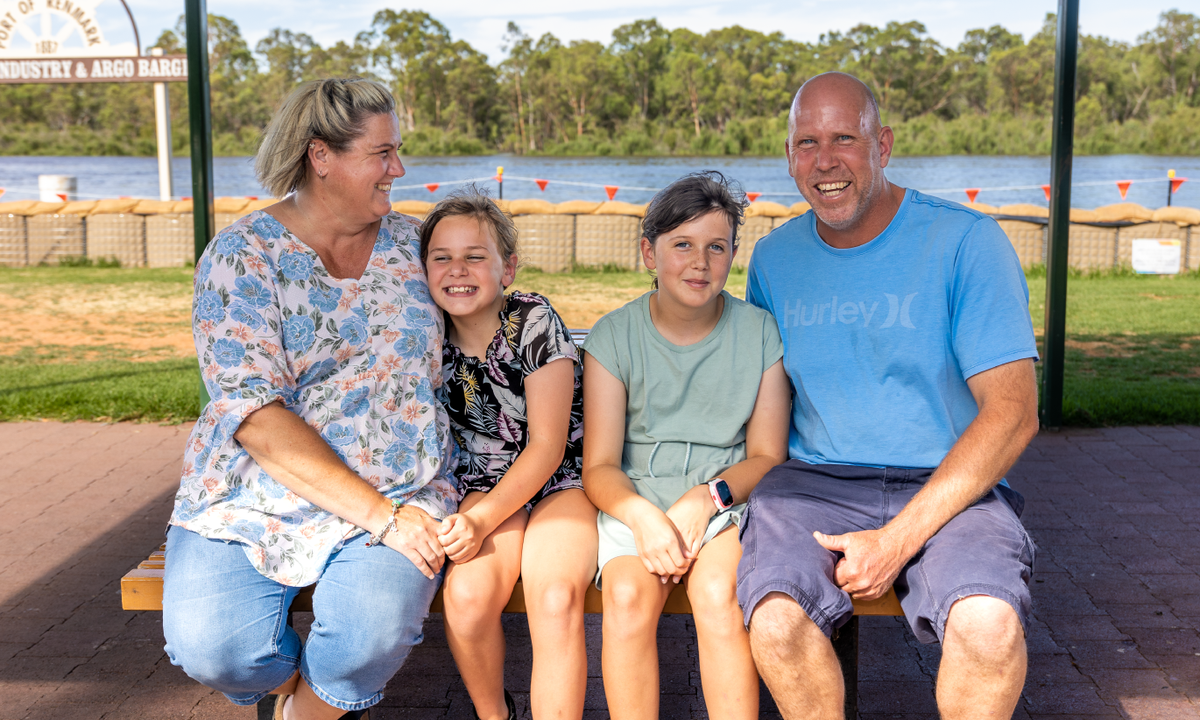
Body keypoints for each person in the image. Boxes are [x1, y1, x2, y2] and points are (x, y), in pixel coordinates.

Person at [738, 71, 1040, 719]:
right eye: (806, 142)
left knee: (988, 627)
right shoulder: (773, 260)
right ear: (789, 156)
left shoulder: (966, 242)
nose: (825, 162)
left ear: (884, 145)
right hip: (812, 485)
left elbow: (1013, 415)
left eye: (845, 138)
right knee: (776, 623)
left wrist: (898, 538)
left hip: (949, 485)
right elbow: (761, 404)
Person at [162, 78, 458, 720]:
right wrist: (381, 517)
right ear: (321, 156)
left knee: (366, 638)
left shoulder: (417, 247)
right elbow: (256, 419)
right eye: (382, 153)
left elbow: (492, 322)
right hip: (255, 489)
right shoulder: (240, 258)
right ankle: (311, 692)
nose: (398, 169)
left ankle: (310, 707)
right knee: (214, 650)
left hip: (402, 479)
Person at [581, 172, 791, 720]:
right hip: (637, 499)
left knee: (720, 593)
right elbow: (600, 466)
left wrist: (708, 497)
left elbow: (768, 456)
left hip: (726, 499)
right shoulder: (613, 337)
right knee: (626, 598)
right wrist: (645, 519)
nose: (699, 262)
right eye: (682, 245)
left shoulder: (759, 332)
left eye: (715, 247)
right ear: (649, 253)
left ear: (732, 255)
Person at [419, 192, 597, 720]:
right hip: (483, 480)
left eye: (475, 256)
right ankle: (496, 714)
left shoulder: (532, 322)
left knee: (555, 597)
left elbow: (548, 446)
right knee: (468, 600)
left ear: (508, 268)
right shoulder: (426, 335)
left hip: (563, 477)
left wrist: (478, 521)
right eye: (441, 257)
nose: (458, 270)